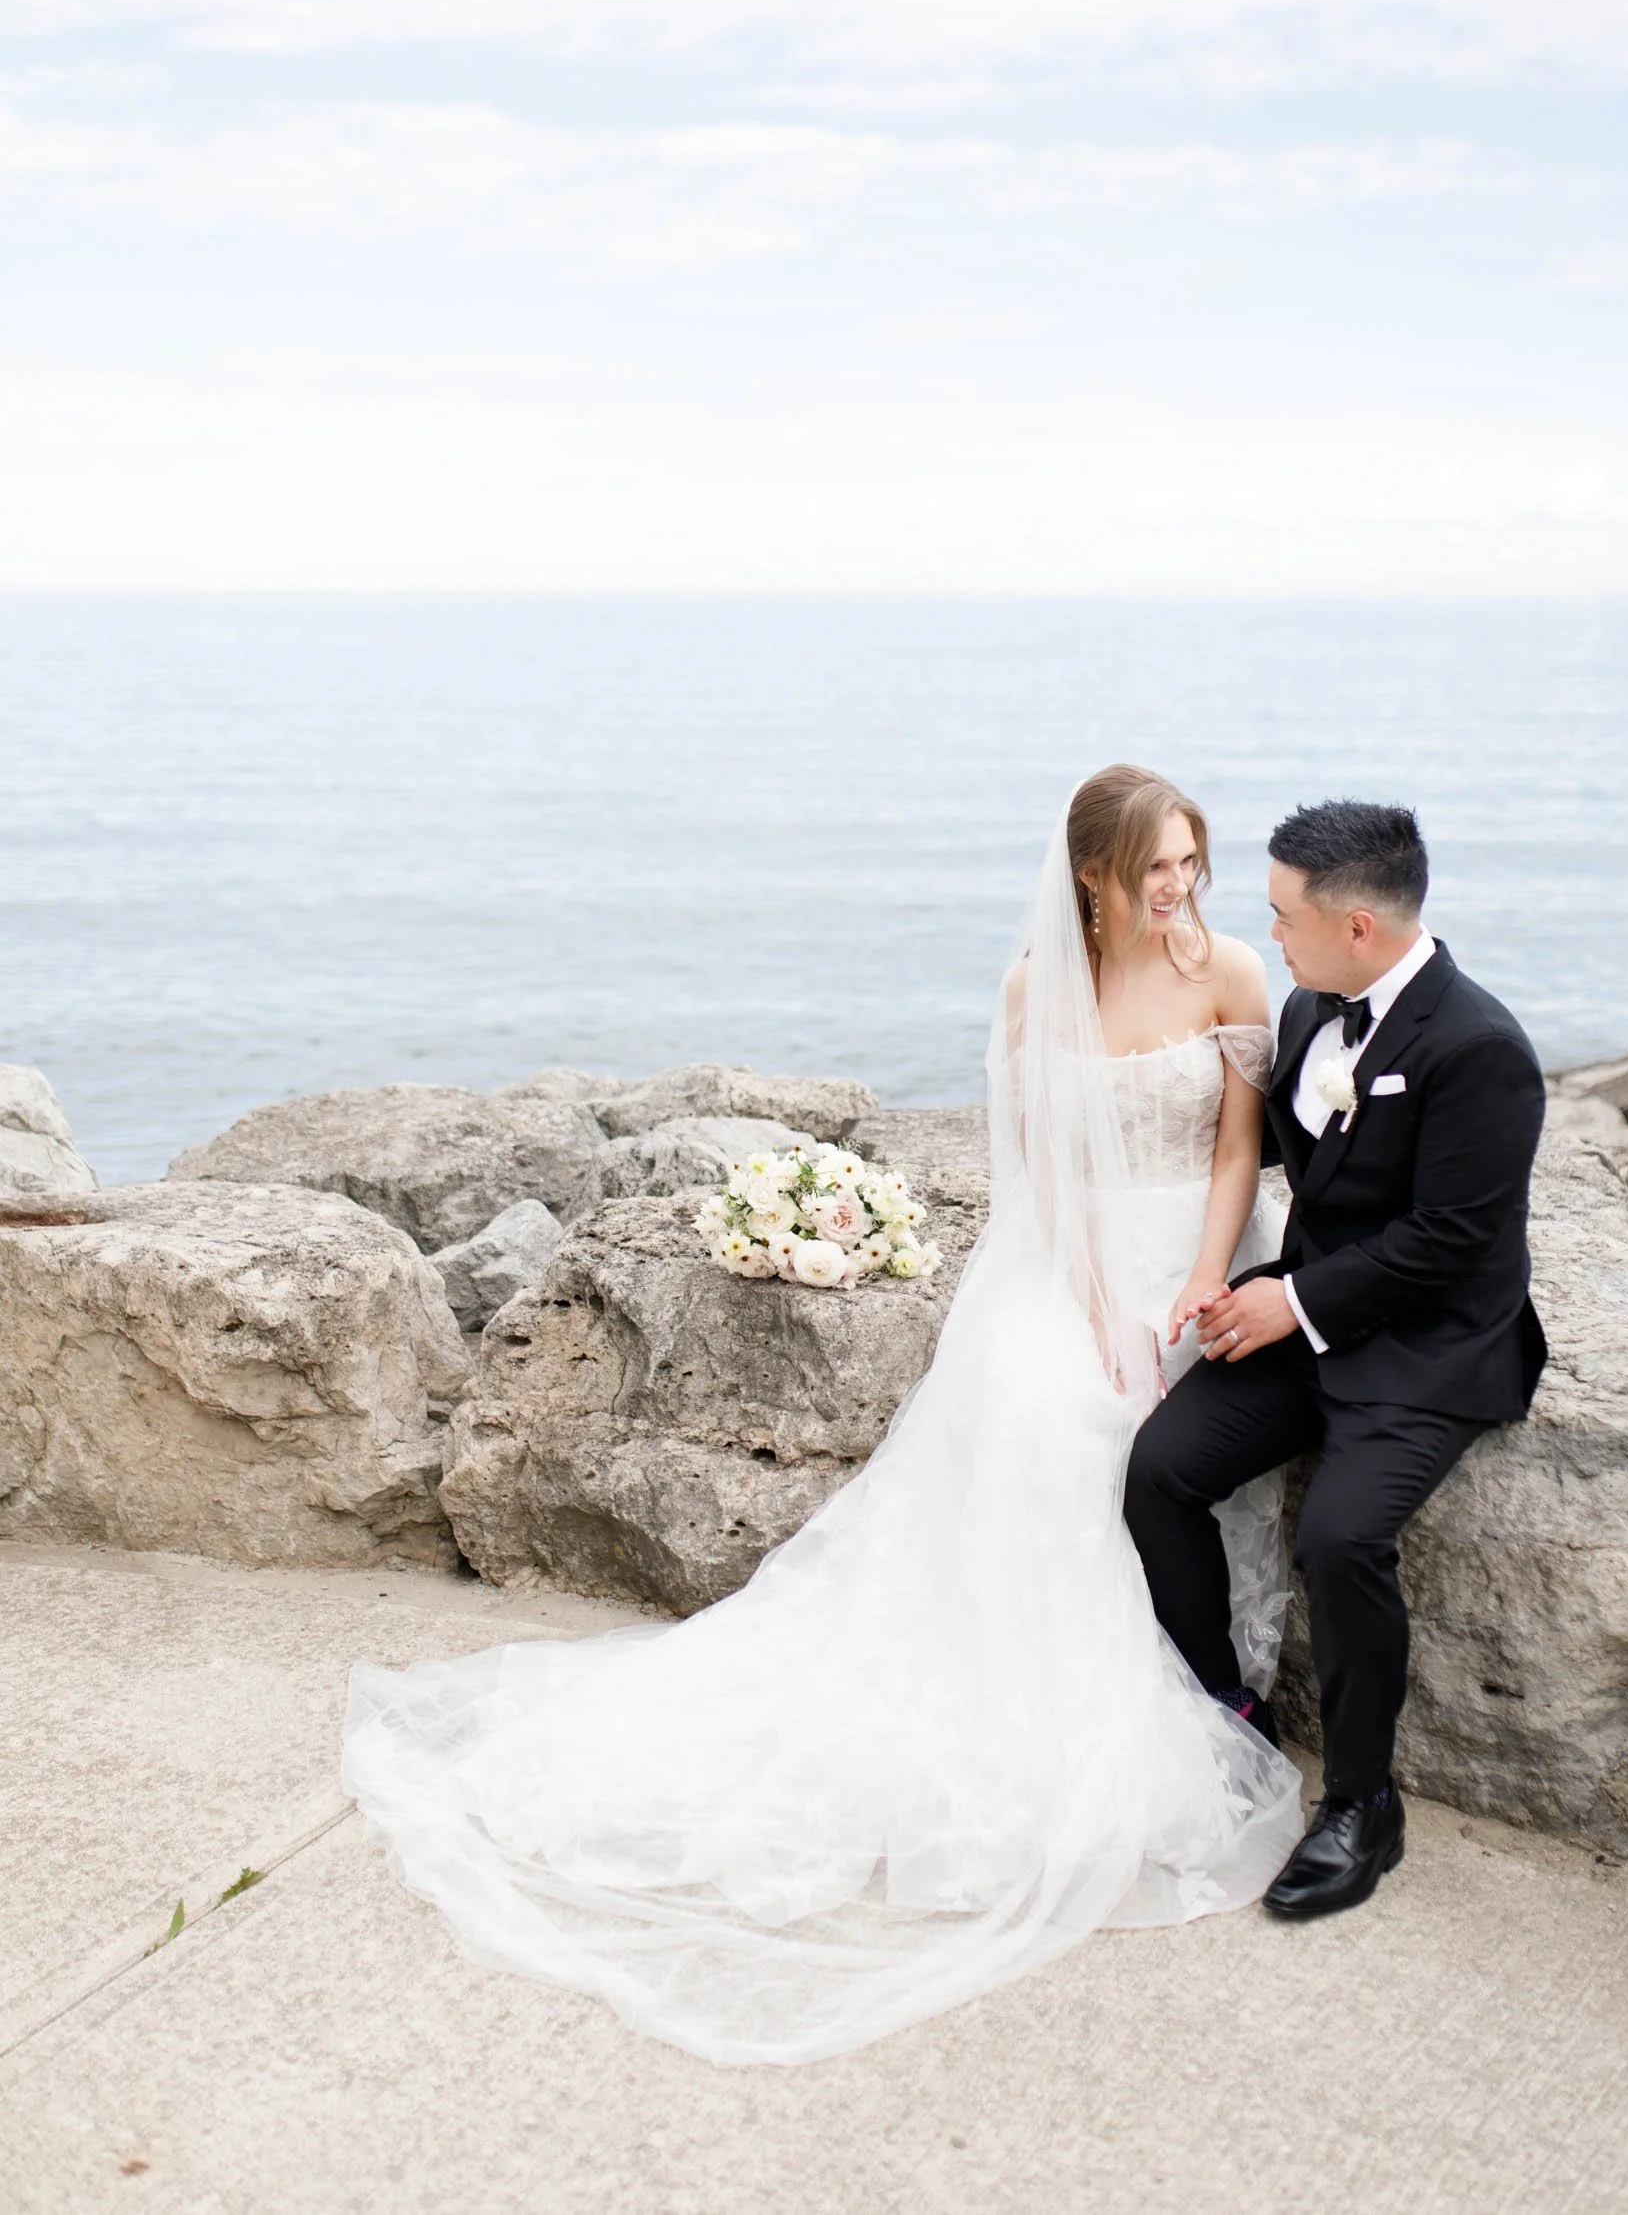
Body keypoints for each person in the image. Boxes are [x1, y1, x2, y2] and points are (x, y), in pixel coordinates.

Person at [341, 765, 1304, 2065]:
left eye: (1193, 860)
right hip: (1069, 1267)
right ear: (1094, 877)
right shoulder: (1038, 990)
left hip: (1197, 1249)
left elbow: (1239, 1146)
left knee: (1145, 1436)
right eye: (1158, 869)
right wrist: (1098, 1310)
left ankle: (1186, 1676)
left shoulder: (1231, 974)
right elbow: (1041, 1176)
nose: (1182, 887)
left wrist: (1198, 1278)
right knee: (1045, 1412)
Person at [1125, 799, 1547, 1920]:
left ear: (1356, 924)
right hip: (1301, 1326)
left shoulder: (1481, 1049)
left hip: (1425, 1351)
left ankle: (1362, 1803)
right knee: (1159, 1468)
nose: (1268, 936)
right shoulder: (1317, 1004)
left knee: (1339, 1535)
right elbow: (1258, 1138)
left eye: (1280, 916)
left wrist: (1290, 1301)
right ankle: (1222, 1709)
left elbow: (1449, 1241)